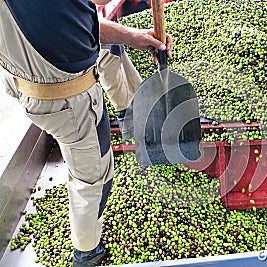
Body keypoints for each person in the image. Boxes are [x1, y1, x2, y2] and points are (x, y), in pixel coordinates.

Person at [0, 1, 172, 266]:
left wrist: (133, 37)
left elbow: (79, 20)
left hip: (30, 75)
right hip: (63, 97)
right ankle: (86, 253)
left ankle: (130, 115)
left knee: (111, 49)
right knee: (94, 176)